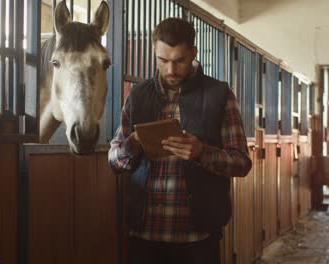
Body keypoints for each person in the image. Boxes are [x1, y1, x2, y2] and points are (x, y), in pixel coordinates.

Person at [108, 17, 252, 264]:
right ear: (154, 52)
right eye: (163, 61)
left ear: (193, 53)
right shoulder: (137, 95)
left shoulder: (220, 94)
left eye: (179, 61)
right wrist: (133, 142)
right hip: (145, 234)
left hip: (199, 237)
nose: (170, 70)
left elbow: (242, 163)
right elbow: (114, 162)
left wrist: (201, 152)